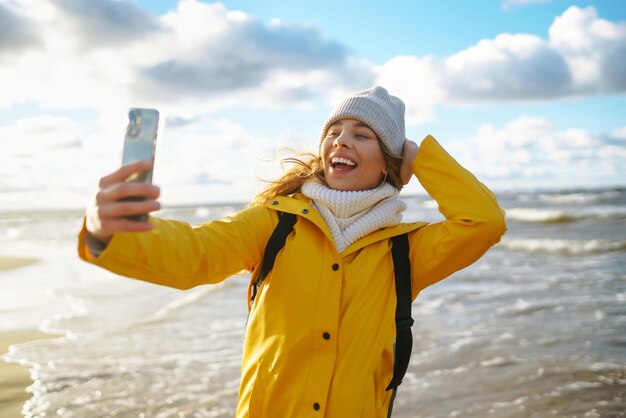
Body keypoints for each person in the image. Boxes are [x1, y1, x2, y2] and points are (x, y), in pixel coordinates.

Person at [78, 86, 506, 417]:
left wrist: (419, 155)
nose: (342, 141)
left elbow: (483, 221)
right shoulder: (274, 224)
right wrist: (109, 232)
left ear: (389, 162)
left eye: (362, 135)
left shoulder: (404, 252)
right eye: (334, 133)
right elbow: (196, 253)